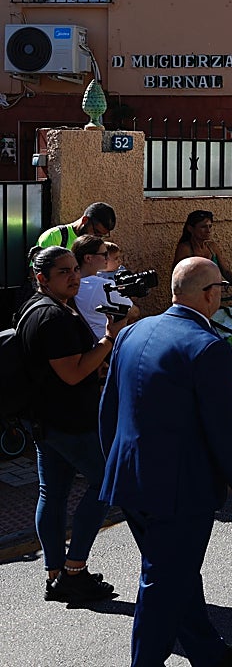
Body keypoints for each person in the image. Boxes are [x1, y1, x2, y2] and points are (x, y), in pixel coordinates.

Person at [99, 258, 232, 667]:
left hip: (130, 477)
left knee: (175, 572)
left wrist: (115, 466)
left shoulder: (132, 331)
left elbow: (109, 409)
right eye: (220, 289)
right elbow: (224, 428)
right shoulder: (208, 346)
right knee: (163, 582)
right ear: (209, 294)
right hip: (178, 489)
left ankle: (209, 653)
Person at [16, 246, 126, 603]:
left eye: (75, 269)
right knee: (105, 484)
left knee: (53, 493)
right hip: (68, 423)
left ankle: (57, 574)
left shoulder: (39, 307)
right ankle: (74, 570)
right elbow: (74, 373)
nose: (74, 277)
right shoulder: (52, 317)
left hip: (47, 421)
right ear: (42, 278)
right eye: (64, 272)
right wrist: (110, 338)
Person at [73, 235, 136, 341]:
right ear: (88, 258)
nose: (107, 258)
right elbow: (134, 312)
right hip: (108, 342)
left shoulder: (72, 284)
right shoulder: (102, 285)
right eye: (104, 254)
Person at [172, 210, 232, 289]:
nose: (208, 230)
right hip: (193, 293)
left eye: (210, 226)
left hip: (213, 292)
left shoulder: (212, 247)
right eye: (203, 227)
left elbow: (225, 271)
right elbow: (178, 275)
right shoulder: (185, 248)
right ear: (190, 229)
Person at [36, 201, 116, 250]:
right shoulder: (54, 237)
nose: (96, 238)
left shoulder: (95, 246)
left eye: (101, 236)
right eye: (96, 232)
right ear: (85, 220)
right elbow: (36, 270)